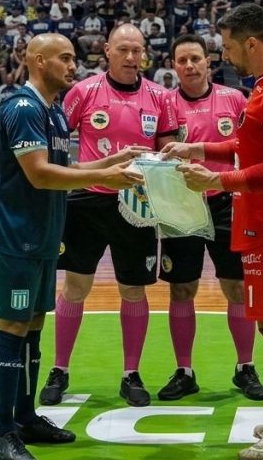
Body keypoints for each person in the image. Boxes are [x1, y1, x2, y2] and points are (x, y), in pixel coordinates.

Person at [0, 33, 146, 460]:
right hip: (13, 236)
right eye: (65, 59)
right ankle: (1, 431)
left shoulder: (53, 110)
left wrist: (111, 162)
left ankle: (26, 417)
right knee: (13, 325)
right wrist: (105, 179)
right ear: (38, 61)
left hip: (41, 235)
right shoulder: (23, 108)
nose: (74, 66)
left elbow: (64, 168)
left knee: (33, 323)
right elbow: (39, 174)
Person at [164, 3, 263, 460]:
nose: (225, 56)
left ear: (251, 43)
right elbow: (249, 146)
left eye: (228, 47)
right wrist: (199, 148)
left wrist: (216, 180)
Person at [39, 24, 178, 409]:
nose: (131, 57)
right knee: (75, 287)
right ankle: (59, 369)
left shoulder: (160, 97)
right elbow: (56, 144)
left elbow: (168, 150)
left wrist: (164, 165)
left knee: (133, 289)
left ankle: (131, 373)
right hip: (87, 201)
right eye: (123, 50)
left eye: (137, 50)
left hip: (137, 204)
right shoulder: (83, 92)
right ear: (107, 51)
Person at [154, 33, 263, 402]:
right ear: (173, 66)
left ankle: (245, 366)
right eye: (182, 60)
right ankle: (184, 371)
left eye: (195, 59)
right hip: (180, 206)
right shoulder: (164, 103)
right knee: (181, 289)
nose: (189, 66)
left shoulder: (234, 99)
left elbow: (250, 148)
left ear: (208, 62)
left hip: (226, 203)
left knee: (237, 287)